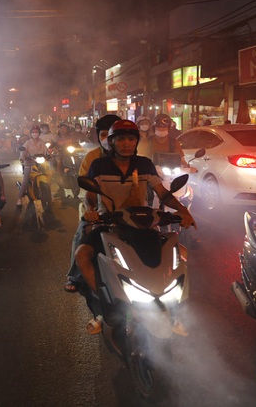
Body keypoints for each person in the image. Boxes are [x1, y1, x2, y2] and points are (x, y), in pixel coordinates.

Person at [74, 120, 196, 333]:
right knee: (82, 255)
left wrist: (182, 211)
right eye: (121, 139)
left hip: (142, 223)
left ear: (137, 142)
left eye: (131, 139)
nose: (126, 144)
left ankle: (172, 312)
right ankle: (103, 309)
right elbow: (90, 197)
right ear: (111, 142)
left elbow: (163, 194)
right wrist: (91, 210)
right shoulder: (99, 166)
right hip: (108, 223)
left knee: (181, 253)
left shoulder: (144, 164)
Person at [64, 114, 121, 293]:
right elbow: (87, 190)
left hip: (127, 212)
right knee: (82, 233)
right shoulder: (92, 159)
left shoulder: (135, 159)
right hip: (99, 210)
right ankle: (74, 276)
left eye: (113, 134)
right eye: (104, 134)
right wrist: (91, 209)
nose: (109, 139)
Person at [17, 125, 47, 207]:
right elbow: (23, 152)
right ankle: (19, 198)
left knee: (49, 174)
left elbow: (46, 151)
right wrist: (22, 157)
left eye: (36, 132)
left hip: (40, 164)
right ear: (31, 134)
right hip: (29, 164)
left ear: (39, 133)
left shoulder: (42, 142)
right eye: (33, 132)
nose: (35, 133)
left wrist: (49, 155)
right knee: (26, 180)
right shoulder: (27, 143)